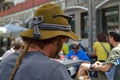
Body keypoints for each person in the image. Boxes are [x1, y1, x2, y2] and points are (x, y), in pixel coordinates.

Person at [0, 3, 79, 80]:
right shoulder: (54, 70)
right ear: (57, 39)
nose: (64, 43)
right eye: (64, 39)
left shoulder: (7, 61)